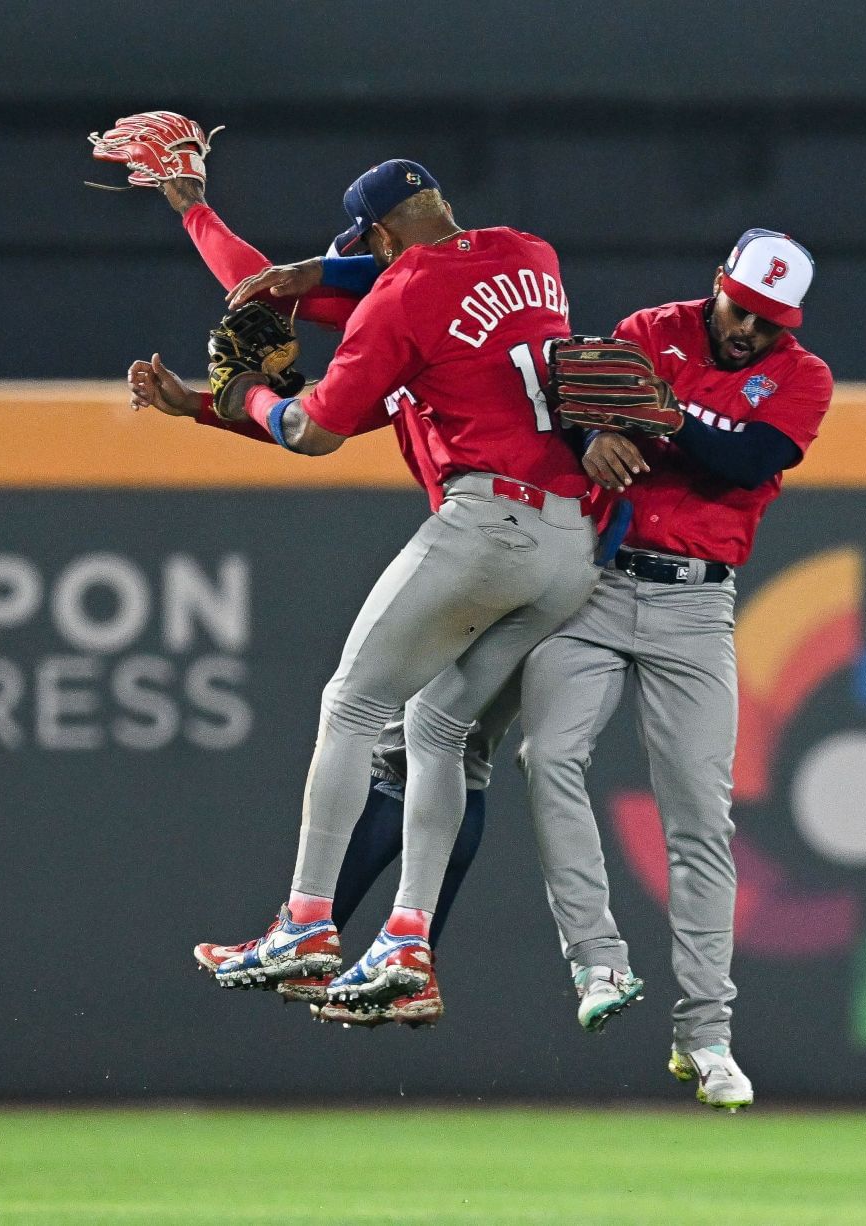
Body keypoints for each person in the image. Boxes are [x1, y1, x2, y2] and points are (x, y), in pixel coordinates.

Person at [231, 229, 834, 1112]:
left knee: (701, 818)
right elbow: (567, 402)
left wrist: (659, 415)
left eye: (769, 321)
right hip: (597, 579)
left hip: (697, 604)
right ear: (719, 285)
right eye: (742, 309)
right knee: (542, 759)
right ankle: (595, 962)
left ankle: (705, 1035)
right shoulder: (648, 327)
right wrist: (597, 433)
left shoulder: (802, 376)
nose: (749, 331)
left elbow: (747, 457)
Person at [113, 138, 602, 1014]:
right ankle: (408, 945)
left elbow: (311, 429)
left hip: (489, 523)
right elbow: (280, 287)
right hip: (572, 550)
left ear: (374, 238)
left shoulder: (400, 305)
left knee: (352, 705)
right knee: (438, 731)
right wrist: (201, 221)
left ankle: (305, 922)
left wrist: (244, 398)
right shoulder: (530, 255)